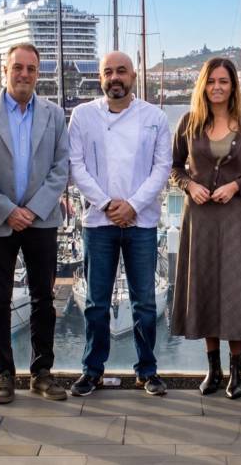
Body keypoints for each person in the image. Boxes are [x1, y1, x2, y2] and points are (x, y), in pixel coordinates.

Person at [0, 43, 70, 404]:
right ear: (5, 70)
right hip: (0, 220)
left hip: (42, 221)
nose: (24, 74)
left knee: (44, 298)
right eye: (18, 67)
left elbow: (61, 167)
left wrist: (35, 209)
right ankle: (4, 374)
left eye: (31, 68)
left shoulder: (54, 114)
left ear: (38, 73)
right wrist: (8, 209)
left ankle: (41, 373)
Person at [68, 51, 172, 397]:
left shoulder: (155, 117)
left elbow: (162, 168)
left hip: (141, 223)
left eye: (122, 71)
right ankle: (92, 370)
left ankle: (147, 370)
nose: (115, 77)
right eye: (108, 72)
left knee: (145, 303)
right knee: (96, 303)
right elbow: (76, 166)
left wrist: (133, 205)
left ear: (133, 76)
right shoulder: (83, 115)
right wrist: (107, 204)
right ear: (100, 78)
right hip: (99, 223)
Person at [170, 57, 241, 399]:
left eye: (223, 81)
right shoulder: (189, 122)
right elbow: (174, 167)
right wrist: (189, 186)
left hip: (234, 216)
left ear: (233, 86)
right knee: (206, 286)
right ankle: (213, 369)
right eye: (211, 81)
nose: (217, 87)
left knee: (233, 288)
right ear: (203, 85)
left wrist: (236, 186)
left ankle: (236, 371)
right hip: (199, 219)